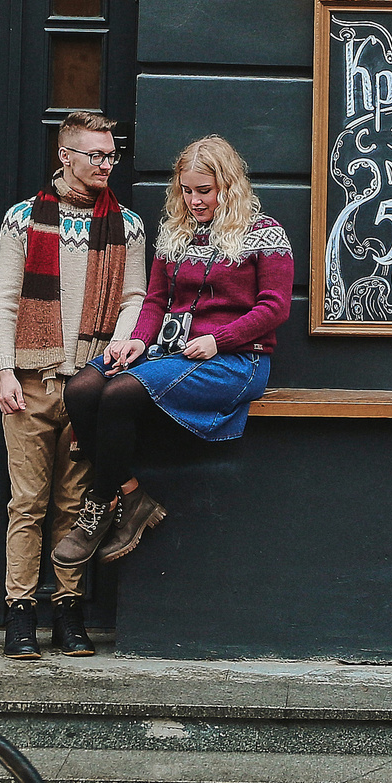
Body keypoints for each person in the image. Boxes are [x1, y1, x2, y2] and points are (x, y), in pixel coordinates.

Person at [55, 135, 291, 567]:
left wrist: (220, 339)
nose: (195, 200)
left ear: (228, 185)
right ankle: (132, 494)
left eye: (205, 191)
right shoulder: (175, 232)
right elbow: (155, 301)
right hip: (168, 352)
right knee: (83, 388)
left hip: (237, 359)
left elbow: (274, 307)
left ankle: (98, 506)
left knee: (120, 393)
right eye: (187, 190)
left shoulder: (264, 233)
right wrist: (137, 341)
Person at [0, 110, 148, 661]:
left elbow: (134, 300)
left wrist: (109, 358)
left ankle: (69, 612)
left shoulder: (127, 225)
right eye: (96, 155)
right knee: (26, 502)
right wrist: (5, 371)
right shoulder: (22, 220)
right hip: (29, 383)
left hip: (89, 383)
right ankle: (20, 614)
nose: (106, 164)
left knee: (74, 501)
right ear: (66, 155)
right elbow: (6, 300)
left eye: (111, 155)